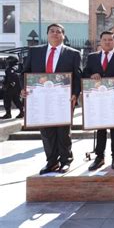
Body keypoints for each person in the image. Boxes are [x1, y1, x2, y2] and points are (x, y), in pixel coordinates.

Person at [21, 23, 82, 174]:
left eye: (58, 32)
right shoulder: (35, 52)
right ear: (47, 34)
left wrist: (75, 93)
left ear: (63, 35)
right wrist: (24, 88)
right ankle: (52, 161)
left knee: (63, 131)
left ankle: (65, 160)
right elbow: (25, 72)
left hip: (64, 99)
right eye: (52, 31)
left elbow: (77, 75)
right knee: (46, 132)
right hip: (41, 99)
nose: (55, 34)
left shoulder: (73, 54)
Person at [84, 31, 114, 171]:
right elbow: (85, 72)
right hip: (98, 99)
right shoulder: (92, 57)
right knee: (101, 128)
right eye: (104, 40)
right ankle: (99, 157)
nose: (107, 42)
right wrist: (92, 75)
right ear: (100, 41)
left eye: (110, 40)